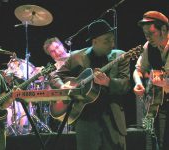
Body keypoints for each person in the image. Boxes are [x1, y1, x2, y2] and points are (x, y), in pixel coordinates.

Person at [49, 19, 131, 150]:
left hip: (112, 120)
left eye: (112, 39)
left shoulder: (120, 56)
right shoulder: (77, 57)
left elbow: (125, 85)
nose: (112, 44)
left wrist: (108, 82)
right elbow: (55, 75)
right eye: (107, 41)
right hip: (86, 121)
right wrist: (61, 86)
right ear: (94, 42)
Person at [133, 11, 169, 150]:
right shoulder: (148, 46)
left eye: (151, 33)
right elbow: (138, 70)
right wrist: (138, 83)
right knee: (149, 138)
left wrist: (165, 83)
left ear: (164, 29)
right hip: (152, 105)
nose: (148, 37)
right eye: (145, 34)